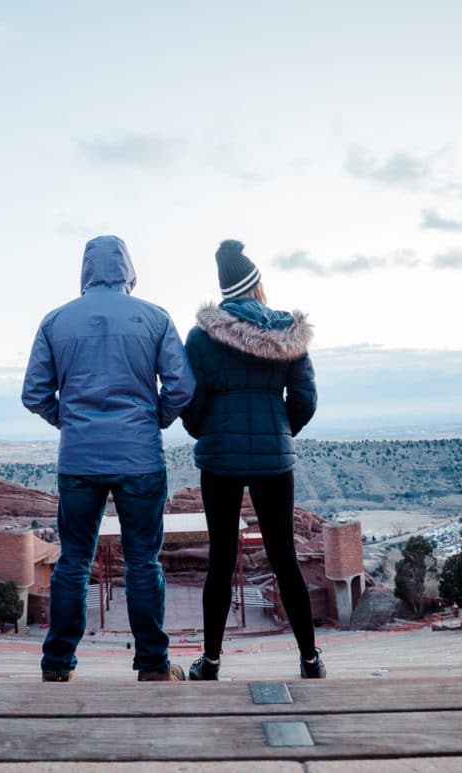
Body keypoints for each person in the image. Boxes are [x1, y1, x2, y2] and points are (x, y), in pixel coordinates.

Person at [22, 235, 195, 683]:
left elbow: (34, 394)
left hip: (78, 459)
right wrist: (152, 418)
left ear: (85, 270)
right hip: (140, 457)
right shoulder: (154, 318)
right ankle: (154, 665)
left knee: (74, 562)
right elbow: (182, 387)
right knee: (143, 562)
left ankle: (57, 665)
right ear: (127, 269)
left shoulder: (55, 321)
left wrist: (71, 421)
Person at [181, 239, 324, 680]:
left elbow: (190, 400)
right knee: (284, 556)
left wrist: (205, 431)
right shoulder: (286, 333)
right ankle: (309, 659)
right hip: (274, 461)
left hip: (220, 461)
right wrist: (281, 432)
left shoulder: (202, 337)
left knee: (221, 560)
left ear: (225, 291)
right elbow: (305, 398)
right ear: (257, 286)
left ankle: (211, 662)